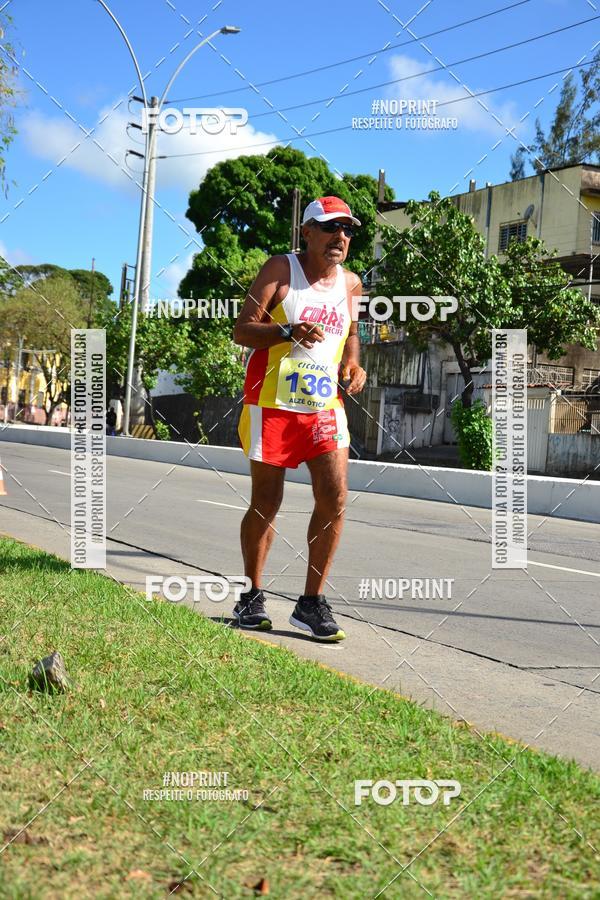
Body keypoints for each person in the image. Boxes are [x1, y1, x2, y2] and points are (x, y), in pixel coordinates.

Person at [233, 196, 367, 641]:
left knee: (335, 497)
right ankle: (251, 595)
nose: (340, 237)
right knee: (267, 502)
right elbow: (243, 329)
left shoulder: (351, 283)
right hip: (270, 402)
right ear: (306, 232)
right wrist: (286, 331)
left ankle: (311, 603)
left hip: (323, 405)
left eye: (347, 230)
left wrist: (353, 365)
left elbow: (350, 333)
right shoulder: (279, 269)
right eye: (330, 228)